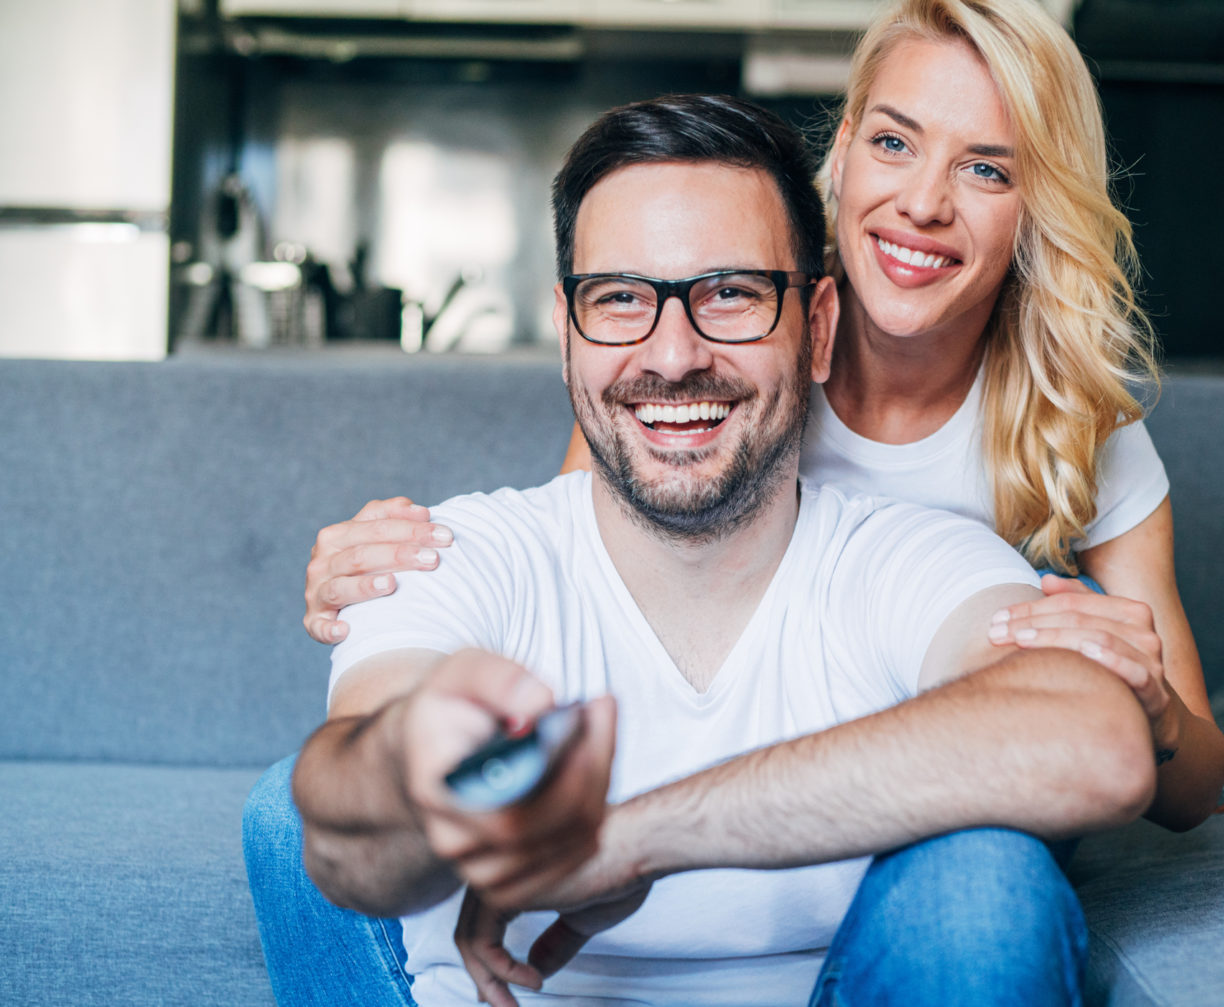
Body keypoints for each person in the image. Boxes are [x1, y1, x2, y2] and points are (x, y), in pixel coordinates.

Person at [281, 92, 1155, 1007]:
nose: (673, 355)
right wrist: (416, 760)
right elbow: (344, 851)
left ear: (818, 328)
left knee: (988, 879)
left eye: (731, 294)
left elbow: (1099, 742)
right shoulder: (454, 555)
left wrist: (631, 838)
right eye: (621, 298)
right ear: (567, 332)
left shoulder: (908, 557)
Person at [300, 0, 1224, 832]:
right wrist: (386, 578)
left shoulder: (1079, 426)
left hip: (965, 790)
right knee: (294, 812)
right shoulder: (703, 368)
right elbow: (590, 601)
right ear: (846, 148)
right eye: (894, 143)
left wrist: (1145, 705)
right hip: (746, 786)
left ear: (1037, 206)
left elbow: (1192, 784)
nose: (922, 203)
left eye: (986, 168)